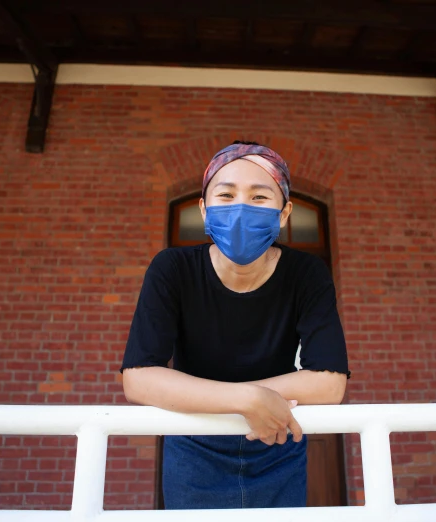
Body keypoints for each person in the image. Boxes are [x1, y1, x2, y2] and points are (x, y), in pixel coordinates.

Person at [120, 141, 349, 509]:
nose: (241, 208)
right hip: (194, 442)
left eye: (260, 198)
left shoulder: (306, 274)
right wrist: (247, 399)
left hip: (277, 444)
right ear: (204, 208)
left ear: (285, 213)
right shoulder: (172, 269)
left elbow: (329, 380)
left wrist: (243, 400)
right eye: (225, 195)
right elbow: (139, 377)